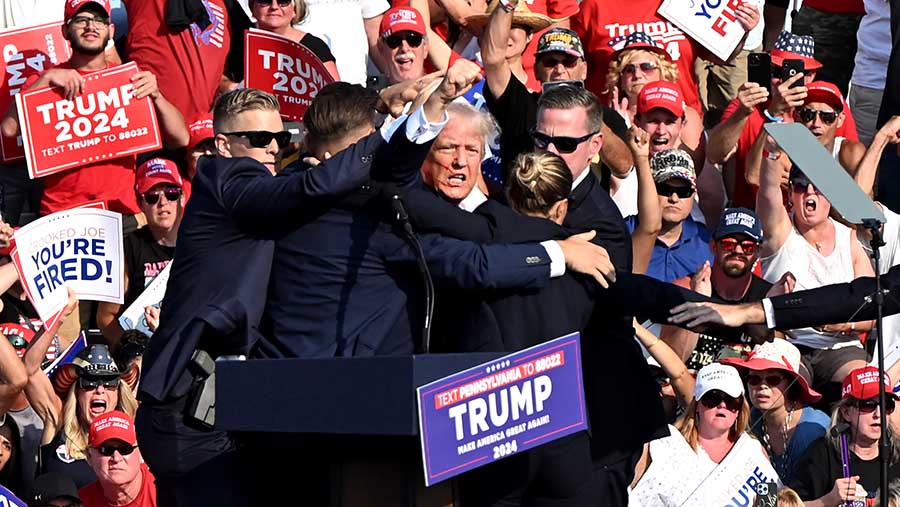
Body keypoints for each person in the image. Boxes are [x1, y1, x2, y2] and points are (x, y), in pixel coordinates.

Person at [135, 73, 484, 504]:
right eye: (259, 137)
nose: (272, 148)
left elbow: (322, 160)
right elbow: (315, 183)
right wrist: (386, 127)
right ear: (223, 145)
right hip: (186, 409)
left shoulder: (265, 184)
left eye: (280, 138)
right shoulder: (228, 180)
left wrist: (380, 104)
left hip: (220, 406)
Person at [0, 0, 188, 222]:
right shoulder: (44, 82)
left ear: (111, 30)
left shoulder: (131, 79)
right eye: (81, 20)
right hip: (62, 216)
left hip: (122, 212)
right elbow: (8, 130)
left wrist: (157, 95)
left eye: (99, 20)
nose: (91, 26)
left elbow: (181, 138)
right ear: (65, 30)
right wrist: (45, 79)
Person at [755, 139, 874, 395]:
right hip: (789, 343)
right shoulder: (780, 232)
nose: (809, 192)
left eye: (818, 187)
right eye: (800, 187)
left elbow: (871, 312)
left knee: (864, 386)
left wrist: (841, 325)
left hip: (841, 346)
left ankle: (846, 437)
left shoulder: (849, 239)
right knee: (776, 384)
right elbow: (766, 192)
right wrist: (773, 155)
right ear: (790, 195)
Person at [479, 4, 635, 182]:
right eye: (550, 62)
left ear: (583, 69)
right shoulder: (521, 105)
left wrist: (587, 114)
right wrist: (507, 3)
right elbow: (493, 60)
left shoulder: (604, 115)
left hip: (582, 207)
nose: (559, 70)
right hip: (525, 205)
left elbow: (624, 167)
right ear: (537, 70)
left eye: (569, 62)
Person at [629, 362, 778, 506]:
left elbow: (768, 503)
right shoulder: (666, 445)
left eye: (731, 400)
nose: (722, 405)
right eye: (712, 398)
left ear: (740, 408)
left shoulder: (753, 449)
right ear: (697, 405)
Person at [663, 207, 774, 371]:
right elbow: (672, 361)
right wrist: (697, 302)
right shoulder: (682, 289)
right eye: (728, 244)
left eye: (748, 246)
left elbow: (775, 365)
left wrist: (766, 317)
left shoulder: (767, 297)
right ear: (714, 246)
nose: (737, 251)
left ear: (757, 252)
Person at [96, 158, 182, 345]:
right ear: (140, 203)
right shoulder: (127, 248)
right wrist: (133, 351)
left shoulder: (200, 243)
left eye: (172, 194)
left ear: (182, 198)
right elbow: (105, 318)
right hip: (145, 353)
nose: (163, 203)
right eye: (152, 197)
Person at [722, 339, 830, 484]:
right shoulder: (749, 418)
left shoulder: (815, 429)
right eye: (754, 379)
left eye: (773, 379)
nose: (762, 387)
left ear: (791, 384)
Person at [791, 366, 900, 505]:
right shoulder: (822, 454)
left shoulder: (897, 455)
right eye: (867, 405)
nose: (878, 414)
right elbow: (789, 504)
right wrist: (828, 500)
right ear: (846, 412)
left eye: (886, 405)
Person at [625, 148, 712, 283]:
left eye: (683, 192)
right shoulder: (622, 232)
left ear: (693, 195)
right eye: (665, 189)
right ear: (649, 189)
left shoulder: (707, 242)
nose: (674, 198)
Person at [80, 411, 155, 507]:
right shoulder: (80, 502)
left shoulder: (166, 493)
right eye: (106, 450)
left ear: (141, 452)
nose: (116, 458)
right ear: (89, 456)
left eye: (125, 449)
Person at [249, 0, 339, 80]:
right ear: (252, 8)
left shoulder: (315, 46)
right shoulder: (241, 43)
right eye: (265, 1)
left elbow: (335, 93)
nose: (274, 7)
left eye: (283, 1)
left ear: (294, 10)